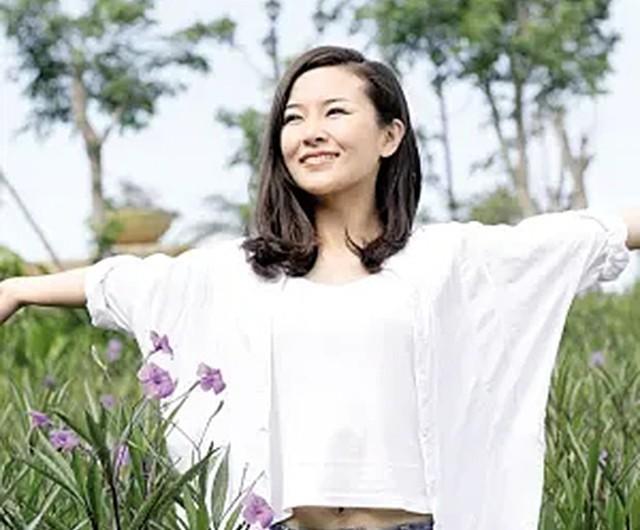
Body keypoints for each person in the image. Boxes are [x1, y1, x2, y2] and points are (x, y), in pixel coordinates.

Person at [0, 45, 637, 530]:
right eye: (294, 118)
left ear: (390, 135)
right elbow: (127, 282)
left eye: (335, 111)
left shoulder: (448, 260)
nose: (310, 131)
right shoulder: (243, 272)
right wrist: (18, 291)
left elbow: (587, 236)